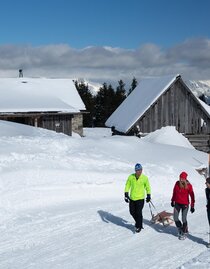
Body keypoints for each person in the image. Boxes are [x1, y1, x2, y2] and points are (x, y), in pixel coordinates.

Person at [124, 163, 151, 233]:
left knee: (138, 212)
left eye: (139, 170)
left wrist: (148, 195)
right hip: (132, 198)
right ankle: (139, 222)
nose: (138, 172)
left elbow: (148, 187)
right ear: (135, 171)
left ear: (142, 170)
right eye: (137, 170)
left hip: (140, 198)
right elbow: (127, 185)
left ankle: (138, 226)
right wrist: (126, 193)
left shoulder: (145, 178)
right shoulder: (131, 177)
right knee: (132, 212)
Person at [171, 171, 195, 238]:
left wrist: (192, 206)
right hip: (177, 203)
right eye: (180, 178)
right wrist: (172, 200)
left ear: (185, 179)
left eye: (182, 178)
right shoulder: (177, 183)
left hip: (185, 204)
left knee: (183, 219)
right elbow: (174, 192)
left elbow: (192, 196)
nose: (181, 179)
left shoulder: (189, 186)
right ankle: (180, 228)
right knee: (175, 218)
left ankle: (184, 231)